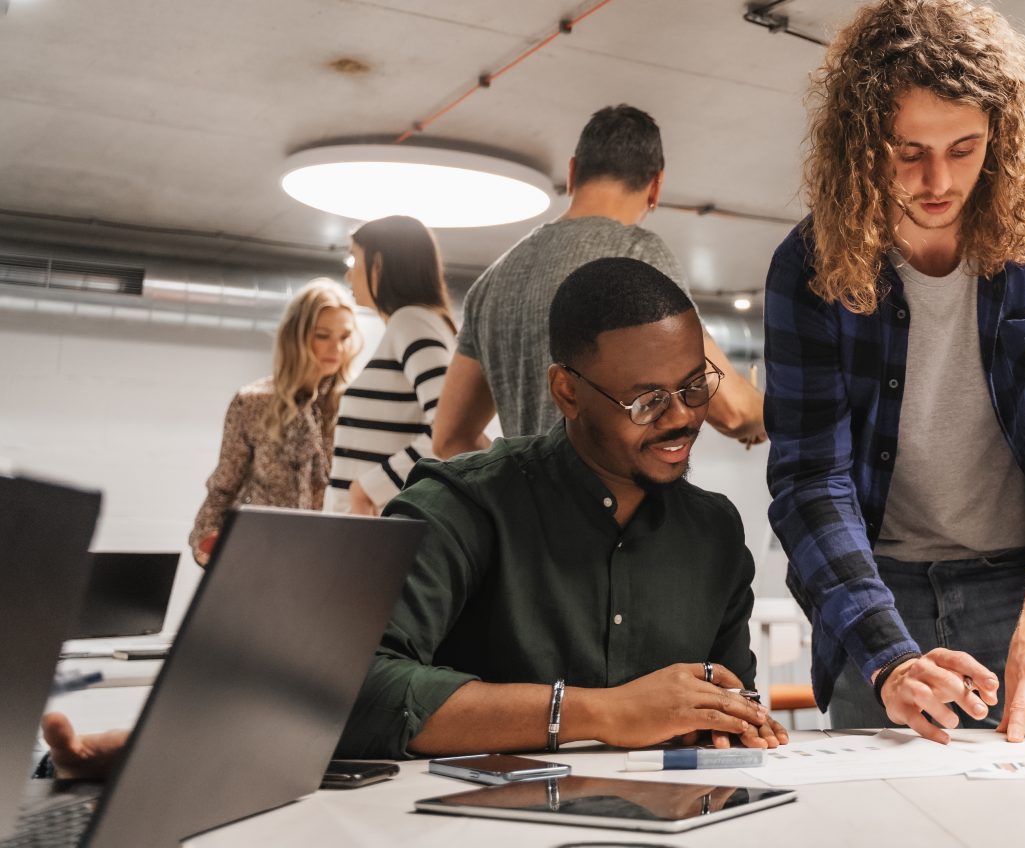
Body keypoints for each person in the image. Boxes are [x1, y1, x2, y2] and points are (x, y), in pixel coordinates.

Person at [763, 0, 1025, 746]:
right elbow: (809, 480)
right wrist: (888, 657)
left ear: (998, 131)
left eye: (964, 148)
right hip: (878, 592)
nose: (939, 181)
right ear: (861, 145)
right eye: (908, 152)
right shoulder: (807, 267)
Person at [337, 257, 786, 758]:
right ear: (567, 392)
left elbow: (730, 710)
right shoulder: (462, 507)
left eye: (695, 386)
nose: (681, 417)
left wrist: (730, 722)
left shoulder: (714, 534)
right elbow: (353, 690)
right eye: (647, 401)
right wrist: (604, 712)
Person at [433, 104, 764, 456]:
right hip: (615, 509)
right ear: (656, 186)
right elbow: (733, 412)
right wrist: (764, 415)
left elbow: (450, 439)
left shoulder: (491, 281)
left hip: (526, 509)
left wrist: (518, 483)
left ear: (573, 172)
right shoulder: (639, 256)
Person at [187, 278, 359, 565]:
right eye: (323, 335)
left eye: (344, 337)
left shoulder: (354, 402)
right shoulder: (253, 402)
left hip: (329, 556)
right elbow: (224, 486)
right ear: (297, 336)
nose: (336, 348)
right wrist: (205, 542)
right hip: (261, 553)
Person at [331, 215, 456, 515]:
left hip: (375, 531)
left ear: (380, 265)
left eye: (354, 261)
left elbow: (448, 433)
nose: (349, 276)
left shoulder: (410, 321)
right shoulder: (423, 322)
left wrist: (368, 488)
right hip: (375, 528)